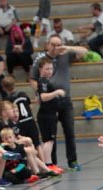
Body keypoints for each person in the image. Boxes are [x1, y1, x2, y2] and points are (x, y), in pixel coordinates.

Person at [30, 37, 88, 170]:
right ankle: (52, 163)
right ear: (47, 45)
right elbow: (33, 80)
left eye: (58, 44)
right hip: (50, 102)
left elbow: (84, 52)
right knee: (51, 134)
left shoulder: (65, 55)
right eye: (53, 44)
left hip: (65, 101)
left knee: (69, 130)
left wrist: (68, 48)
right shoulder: (40, 59)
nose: (56, 47)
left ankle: (72, 160)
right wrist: (39, 93)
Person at [4, 76, 63, 174]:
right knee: (37, 143)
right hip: (30, 120)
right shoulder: (22, 94)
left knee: (26, 145)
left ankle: (32, 166)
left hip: (20, 122)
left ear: (4, 88)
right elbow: (29, 105)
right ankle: (43, 164)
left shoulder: (8, 99)